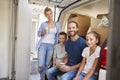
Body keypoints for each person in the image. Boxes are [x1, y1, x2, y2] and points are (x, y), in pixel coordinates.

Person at [36, 7, 61, 80]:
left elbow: (59, 35)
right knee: (41, 65)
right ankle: (42, 75)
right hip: (43, 45)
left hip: (51, 46)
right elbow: (38, 34)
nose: (49, 15)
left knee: (47, 64)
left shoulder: (57, 24)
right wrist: (42, 33)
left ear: (52, 14)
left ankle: (42, 77)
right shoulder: (43, 24)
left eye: (50, 13)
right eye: (47, 14)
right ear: (45, 16)